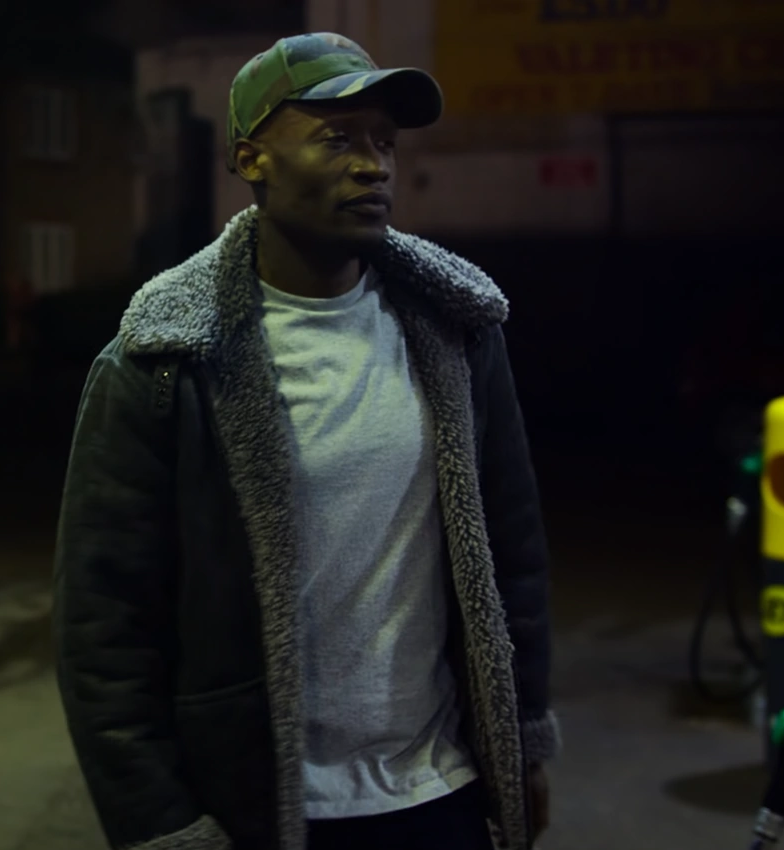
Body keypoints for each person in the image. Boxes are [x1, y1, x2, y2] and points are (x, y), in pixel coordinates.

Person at [53, 32, 559, 850]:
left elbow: (514, 552)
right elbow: (103, 626)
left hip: (441, 792)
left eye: (384, 143)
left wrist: (524, 738)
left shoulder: (457, 331)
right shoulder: (163, 363)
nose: (373, 166)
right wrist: (162, 822)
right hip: (261, 808)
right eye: (337, 138)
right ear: (251, 159)